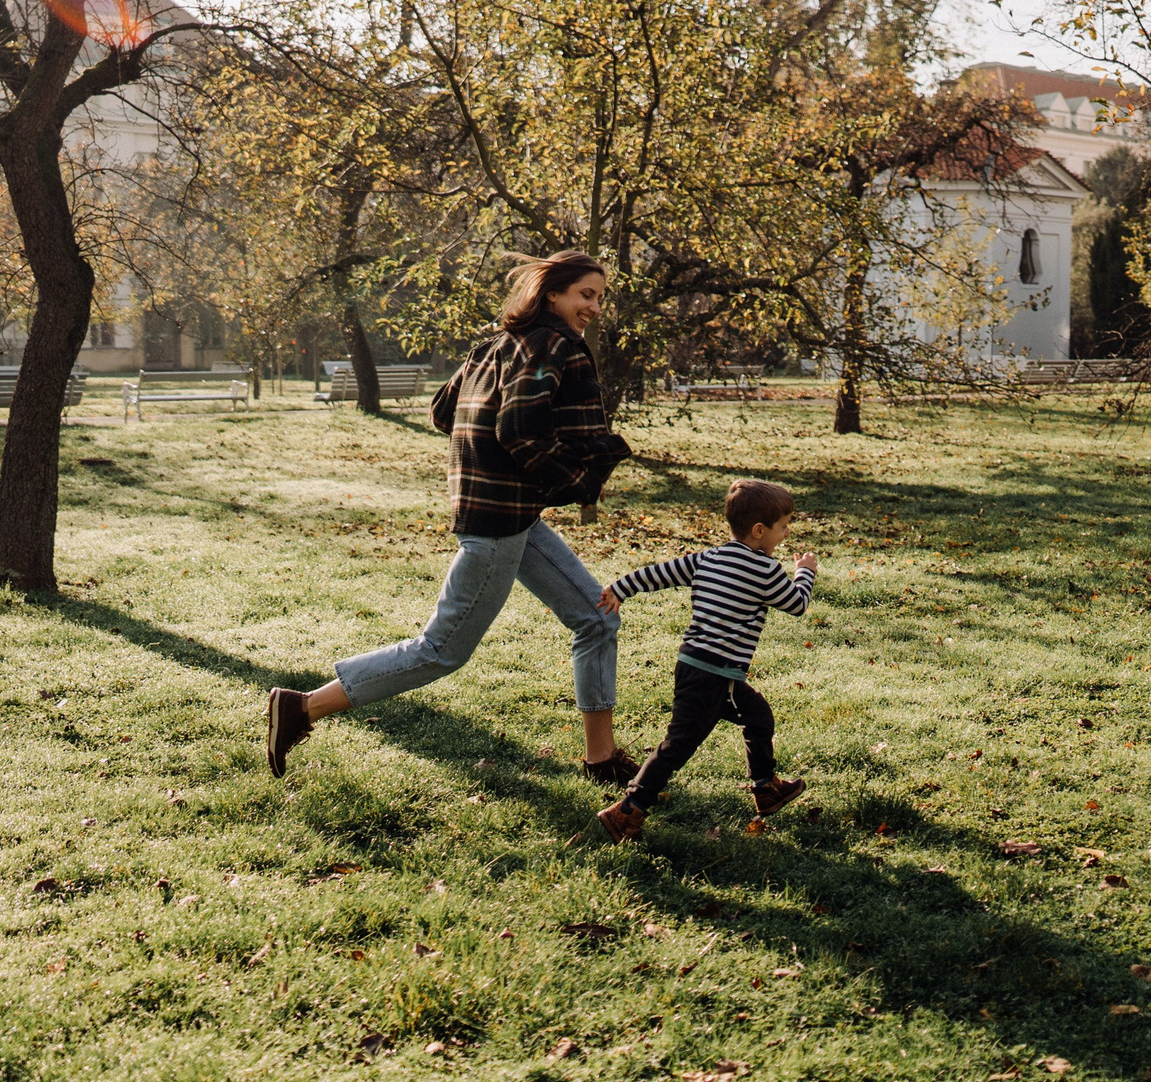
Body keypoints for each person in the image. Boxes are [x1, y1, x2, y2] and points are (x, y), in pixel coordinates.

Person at [265, 250, 637, 784]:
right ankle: (302, 708)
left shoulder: (494, 344)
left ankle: (601, 760)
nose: (594, 307)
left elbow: (443, 412)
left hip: (511, 515)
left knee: (597, 617)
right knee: (440, 651)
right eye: (586, 294)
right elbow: (521, 432)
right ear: (552, 294)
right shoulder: (552, 344)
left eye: (599, 297)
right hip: (497, 523)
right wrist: (578, 478)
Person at [593, 479, 817, 842]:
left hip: (696, 666)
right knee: (677, 745)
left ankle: (765, 787)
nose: (787, 533)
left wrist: (622, 587)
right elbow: (797, 604)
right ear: (759, 531)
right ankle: (627, 811)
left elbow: (659, 573)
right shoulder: (767, 570)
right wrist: (805, 572)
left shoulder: (708, 557)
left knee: (758, 716)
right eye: (783, 526)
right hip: (716, 675)